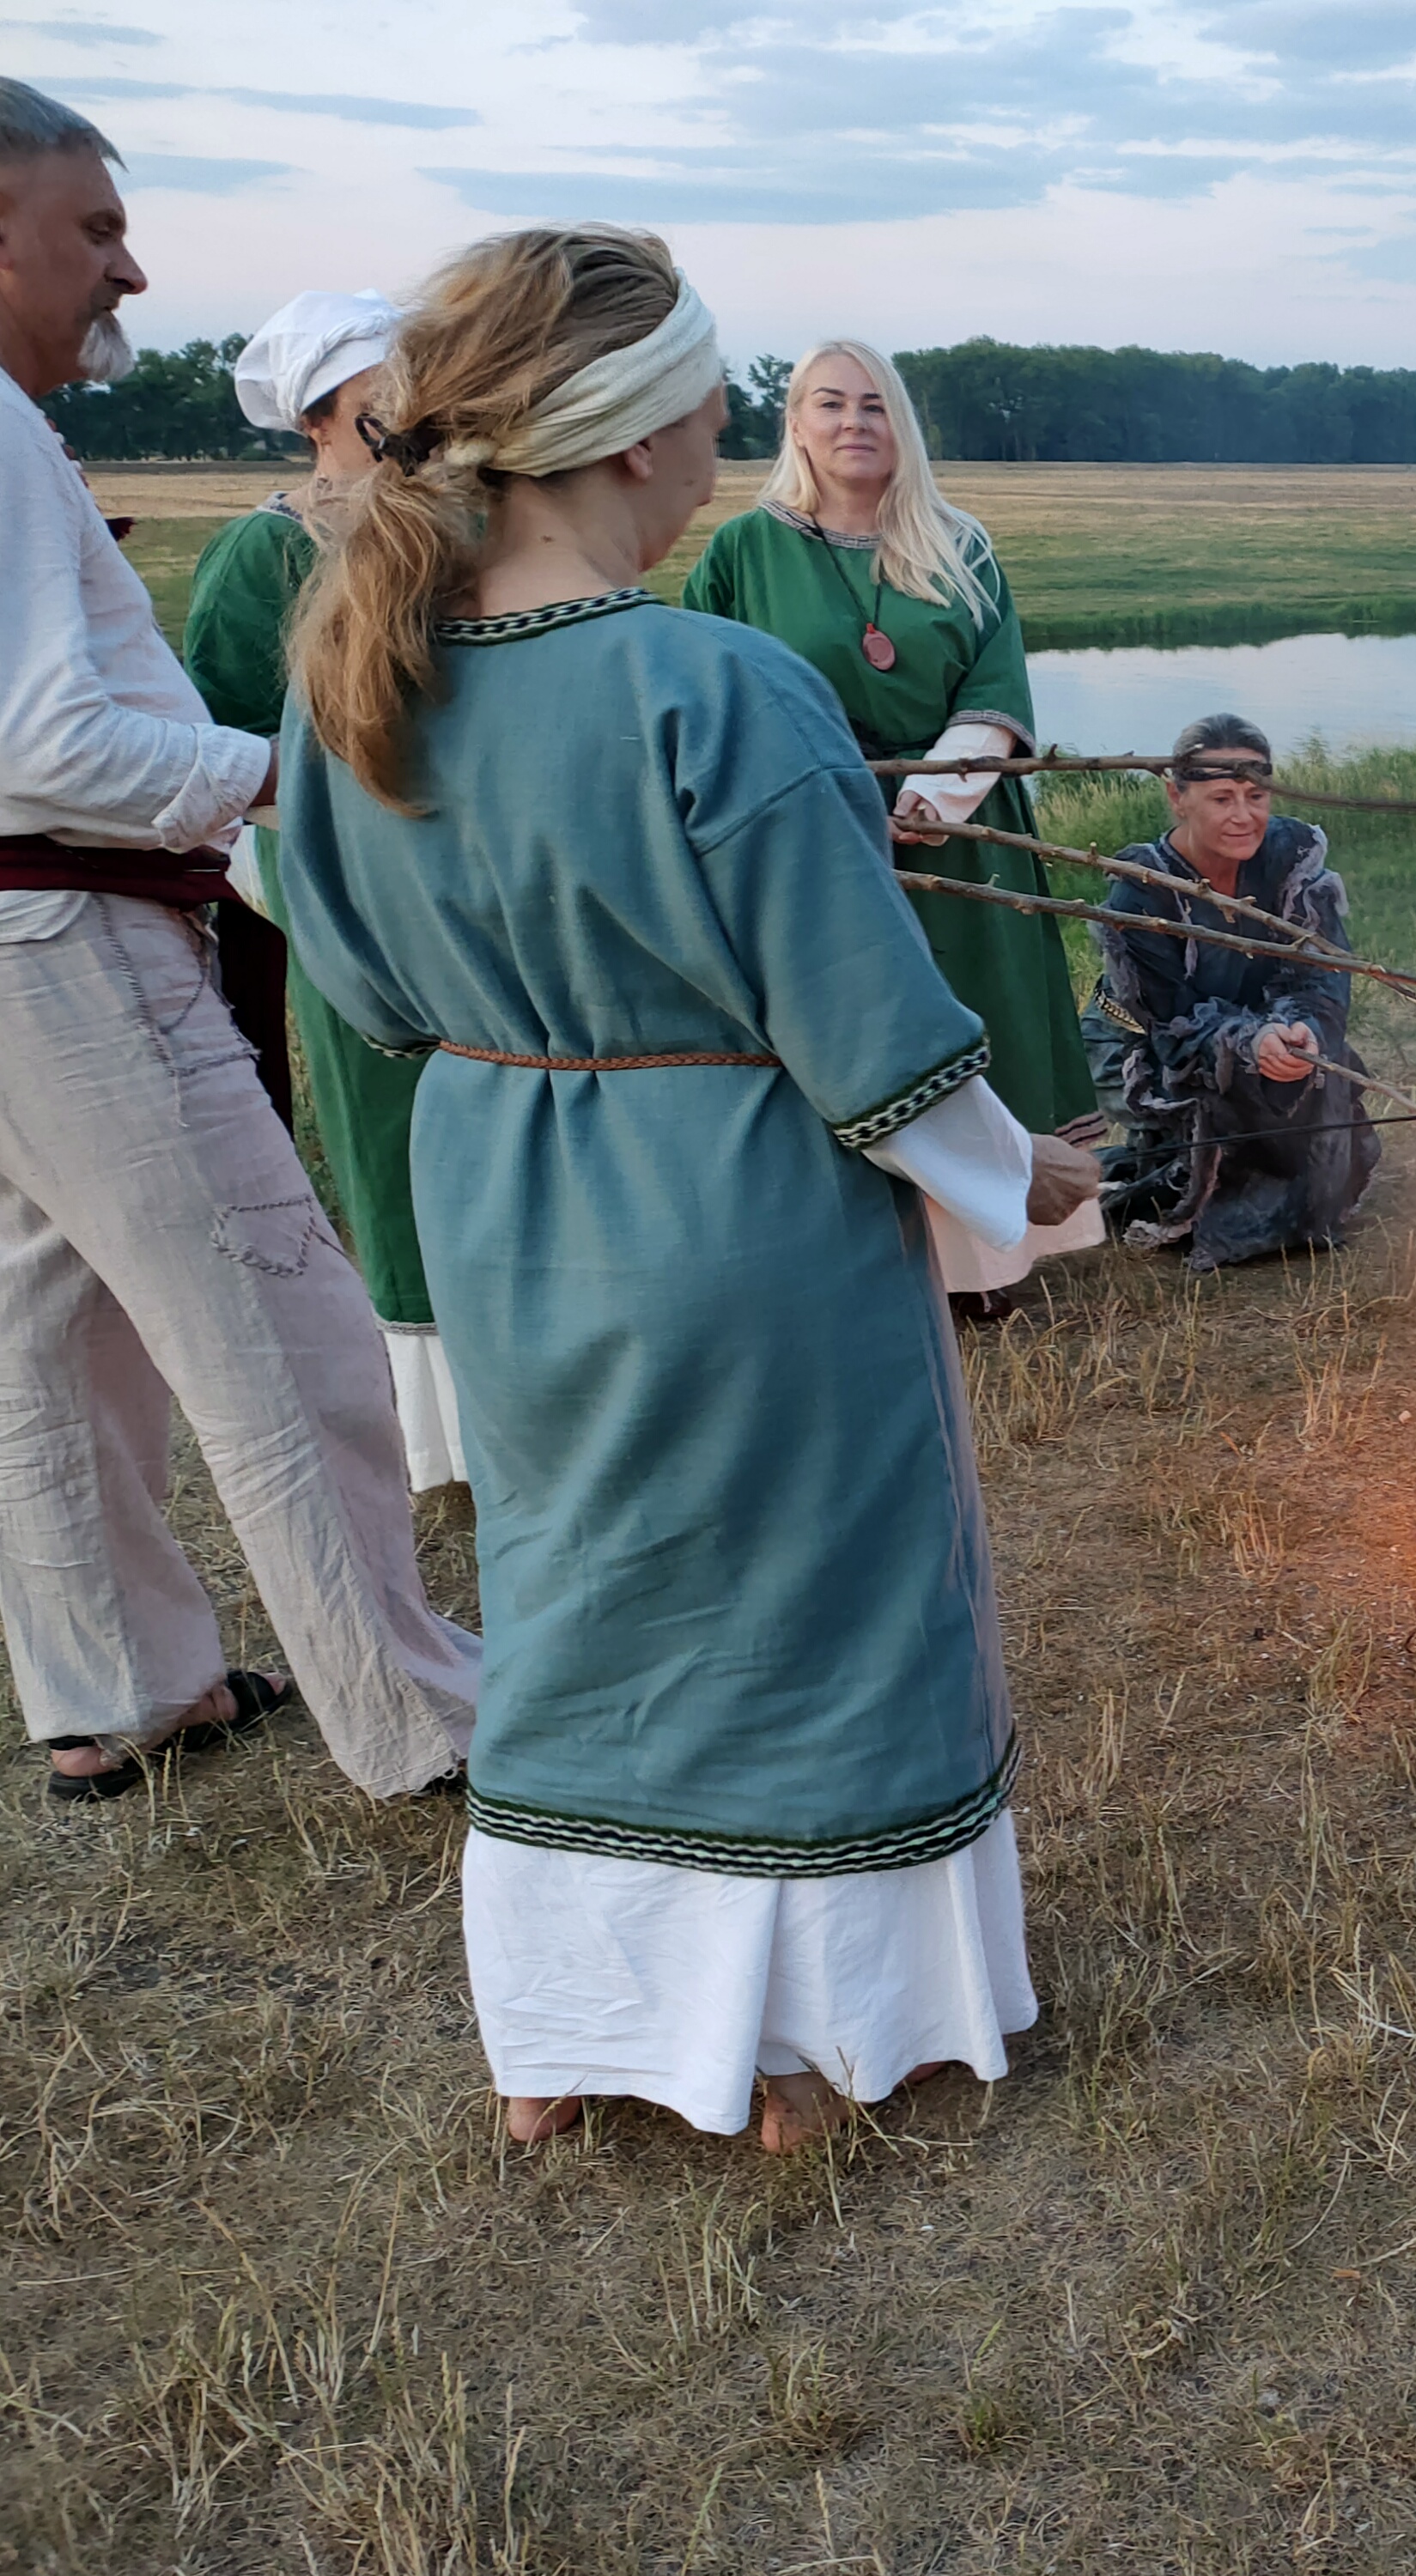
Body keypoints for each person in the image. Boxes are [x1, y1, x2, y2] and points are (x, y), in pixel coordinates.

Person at [274, 224, 1103, 2149]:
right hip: (739, 1208)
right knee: (806, 1602)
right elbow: (865, 1030)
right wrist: (1019, 1172)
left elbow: (370, 990)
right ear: (635, 438)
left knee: (572, 1590)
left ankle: (569, 2026)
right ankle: (800, 2033)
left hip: (504, 1194)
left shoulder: (360, 683)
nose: (731, 428)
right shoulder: (714, 690)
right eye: (713, 399)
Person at [0, 80, 475, 1802]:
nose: (128, 275)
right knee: (285, 1326)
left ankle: (122, 1685)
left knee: (48, 1329)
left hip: (24, 944)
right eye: (95, 231)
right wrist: (278, 779)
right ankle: (420, 1709)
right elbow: (46, 744)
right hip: (60, 934)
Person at [684, 337, 1100, 1321]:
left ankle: (983, 1269)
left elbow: (996, 684)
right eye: (829, 404)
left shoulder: (960, 543)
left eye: (874, 405)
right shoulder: (743, 551)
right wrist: (832, 800)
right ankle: (867, 1257)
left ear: (899, 424)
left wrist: (932, 798)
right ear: (795, 422)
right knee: (858, 1026)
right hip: (810, 826)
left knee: (968, 1021)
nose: (853, 423)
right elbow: (709, 693)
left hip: (958, 823)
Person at [181, 287, 473, 1496]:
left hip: (479, 890)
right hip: (347, 901)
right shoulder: (265, 553)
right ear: (319, 415)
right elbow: (217, 748)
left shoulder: (459, 529)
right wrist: (307, 890)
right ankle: (448, 1441)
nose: (408, 408)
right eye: (380, 391)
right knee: (394, 1144)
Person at [1090, 714, 1377, 1273]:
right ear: (1177, 797)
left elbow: (1322, 977)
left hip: (1263, 1027)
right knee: (1200, 1140)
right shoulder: (1140, 896)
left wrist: (1302, 1030)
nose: (1243, 816)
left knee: (1317, 1074)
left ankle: (1294, 1210)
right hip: (1151, 1047)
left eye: (1255, 795)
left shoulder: (1292, 863)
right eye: (1221, 798)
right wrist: (1250, 1042)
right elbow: (1172, 1027)